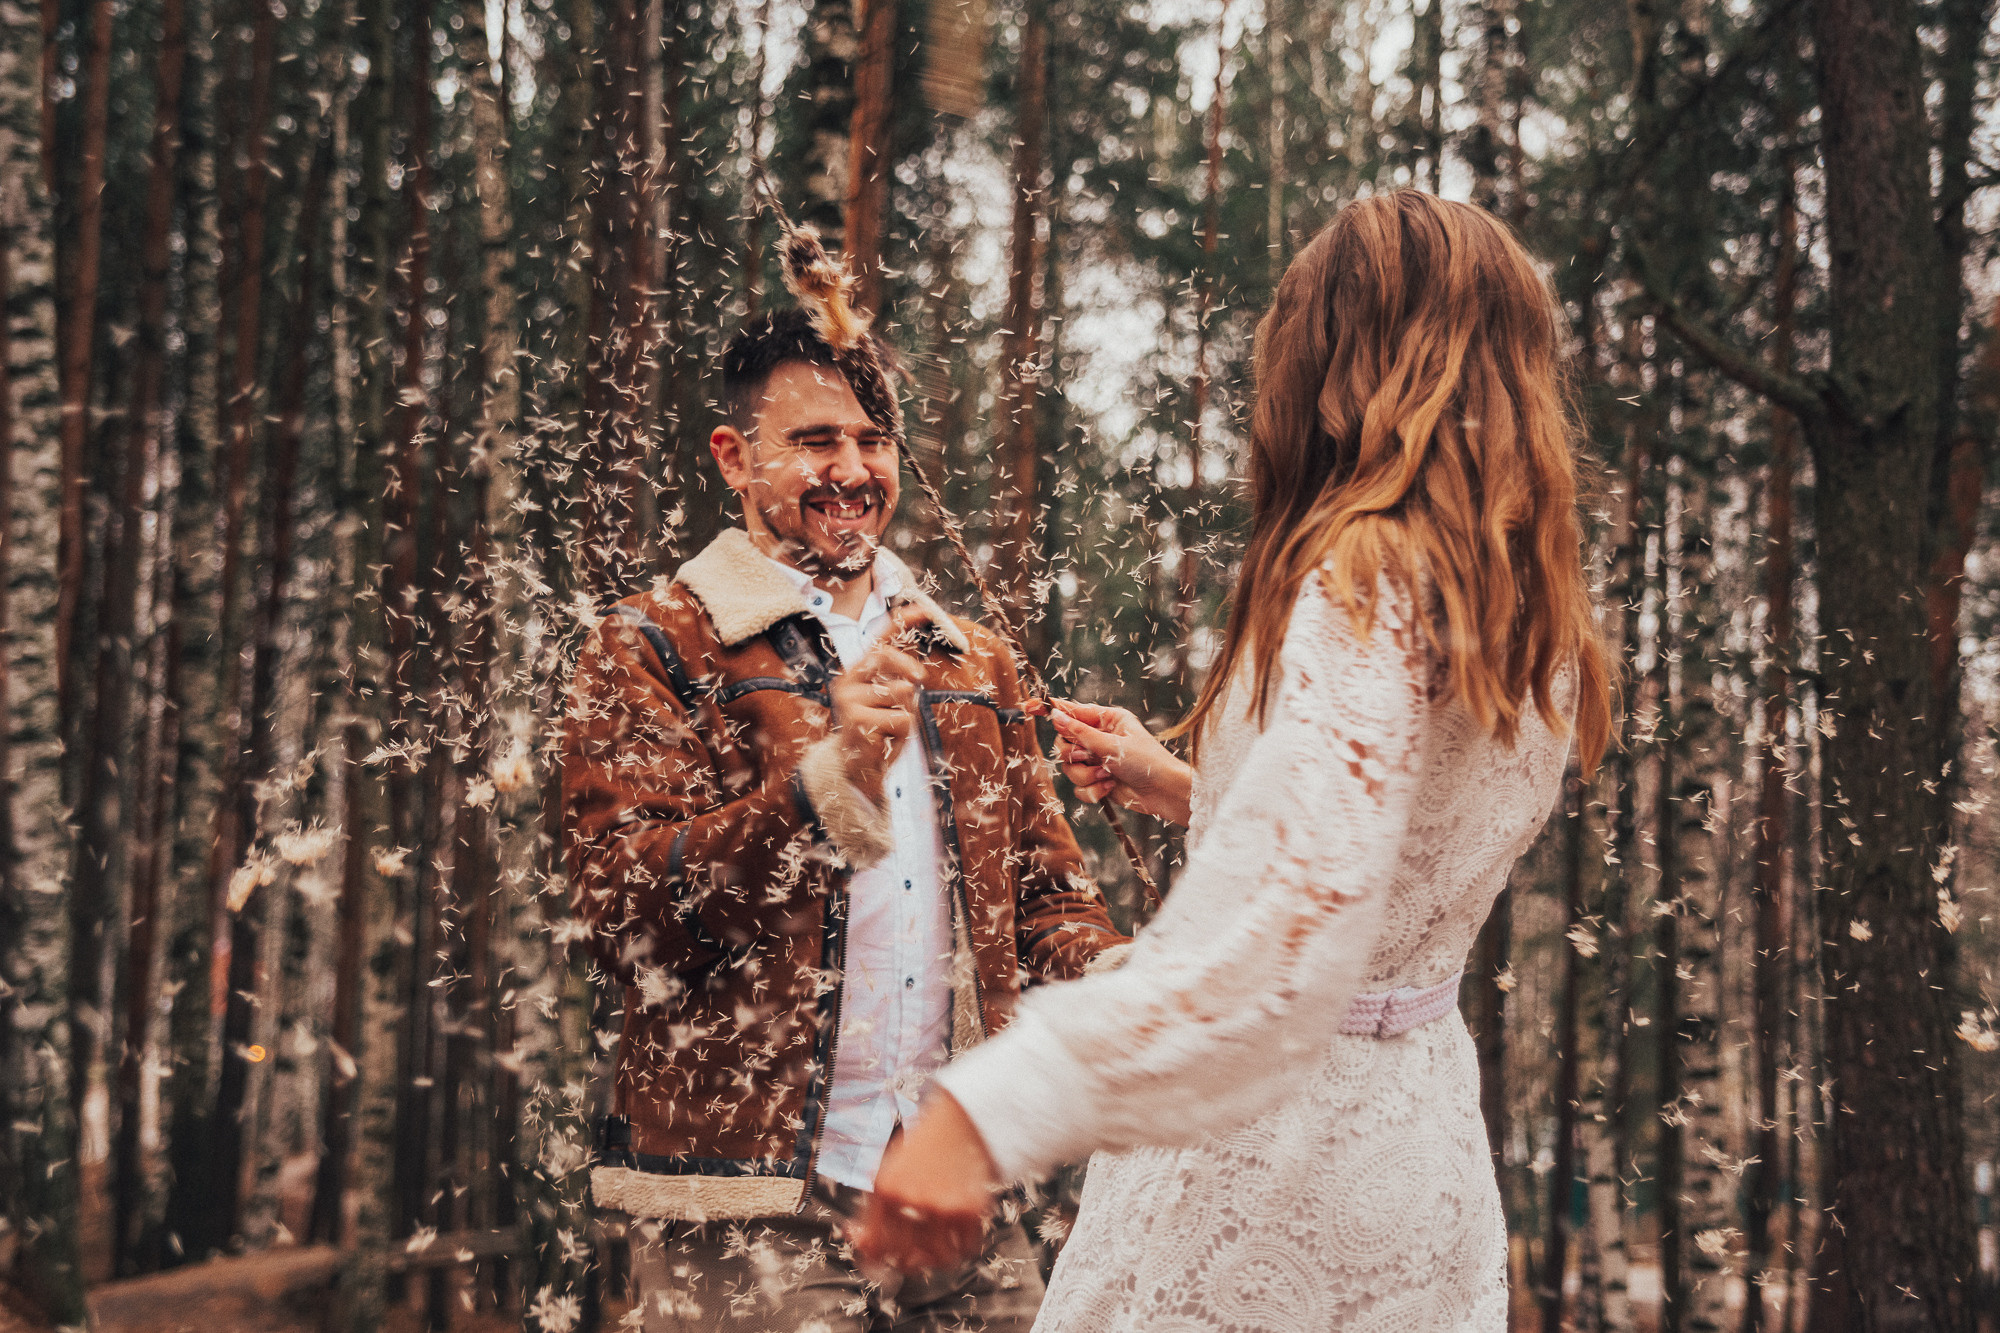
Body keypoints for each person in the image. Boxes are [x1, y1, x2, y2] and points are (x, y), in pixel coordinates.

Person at [855, 190, 1614, 1331]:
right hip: (1416, 1149)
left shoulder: (1363, 575)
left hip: (1271, 1166)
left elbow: (1272, 955)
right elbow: (1391, 834)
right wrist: (1190, 784)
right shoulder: (1530, 604)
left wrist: (984, 1114)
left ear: (1346, 359)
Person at [562, 305, 1130, 1331]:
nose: (852, 468)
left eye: (872, 439)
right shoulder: (649, 644)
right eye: (815, 440)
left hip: (955, 1188)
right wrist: (824, 788)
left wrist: (1142, 982)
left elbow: (1043, 909)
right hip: (747, 1206)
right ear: (734, 459)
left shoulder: (972, 661)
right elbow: (622, 918)